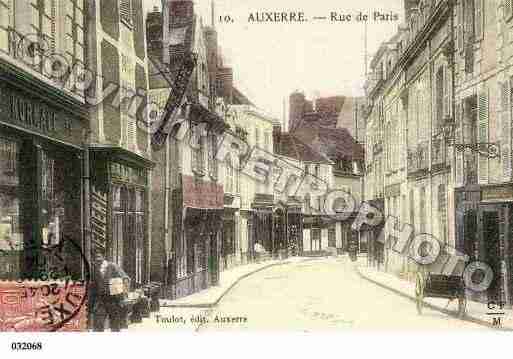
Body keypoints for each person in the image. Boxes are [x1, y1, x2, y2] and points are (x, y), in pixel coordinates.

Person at [90, 250, 129, 332]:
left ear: (103, 257)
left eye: (99, 257)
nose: (97, 260)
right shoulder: (94, 269)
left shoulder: (112, 266)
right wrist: (91, 303)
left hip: (113, 300)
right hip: (100, 301)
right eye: (95, 258)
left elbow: (125, 279)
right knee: (98, 324)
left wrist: (124, 296)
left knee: (115, 325)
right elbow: (93, 287)